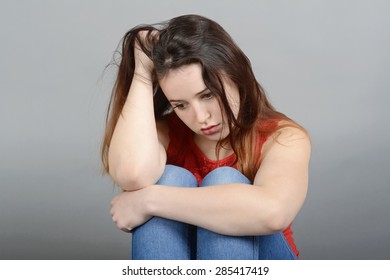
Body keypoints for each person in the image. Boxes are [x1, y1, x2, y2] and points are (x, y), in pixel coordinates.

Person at [101, 14, 311, 260]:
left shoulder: (283, 137)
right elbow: (133, 174)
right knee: (169, 177)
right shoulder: (167, 133)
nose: (201, 117)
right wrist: (142, 74)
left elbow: (273, 212)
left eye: (208, 95)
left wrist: (149, 199)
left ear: (236, 75)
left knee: (224, 179)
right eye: (180, 105)